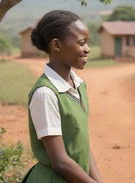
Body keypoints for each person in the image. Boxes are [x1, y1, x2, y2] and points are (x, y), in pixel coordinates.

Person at [22, 10, 104, 183]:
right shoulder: (45, 93)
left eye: (87, 43)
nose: (87, 49)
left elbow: (81, 144)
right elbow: (60, 161)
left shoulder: (79, 85)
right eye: (81, 43)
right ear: (56, 45)